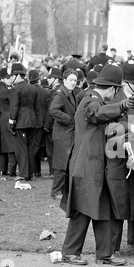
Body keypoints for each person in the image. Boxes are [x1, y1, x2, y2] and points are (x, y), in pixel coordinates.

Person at [59, 63, 134, 266]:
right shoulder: (90, 100)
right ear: (112, 88)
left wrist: (123, 116)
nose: (116, 94)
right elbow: (97, 114)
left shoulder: (92, 100)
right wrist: (122, 106)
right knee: (82, 210)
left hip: (93, 165)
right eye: (117, 90)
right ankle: (70, 252)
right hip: (87, 165)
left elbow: (103, 118)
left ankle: (104, 254)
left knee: (103, 209)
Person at [106, 60, 134, 254]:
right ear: (125, 82)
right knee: (117, 201)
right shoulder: (113, 99)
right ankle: (113, 245)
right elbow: (108, 128)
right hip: (116, 156)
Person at [49, 69, 80, 199]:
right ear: (64, 80)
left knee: (65, 162)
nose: (73, 83)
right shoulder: (60, 94)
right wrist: (68, 119)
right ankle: (56, 191)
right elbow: (53, 110)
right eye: (71, 80)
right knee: (61, 163)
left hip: (67, 133)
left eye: (75, 80)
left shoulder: (69, 93)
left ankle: (61, 190)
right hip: (63, 133)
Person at [9, 63, 39, 181]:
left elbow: (14, 107)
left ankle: (23, 173)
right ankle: (29, 173)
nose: (11, 78)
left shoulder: (16, 89)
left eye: (13, 75)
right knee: (30, 148)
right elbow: (37, 108)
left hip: (20, 122)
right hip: (32, 121)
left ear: (17, 76)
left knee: (21, 149)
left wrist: (12, 122)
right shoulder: (33, 88)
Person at [0, 66, 17, 177]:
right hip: (7, 117)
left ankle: (3, 169)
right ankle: (11, 170)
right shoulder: (6, 90)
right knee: (11, 145)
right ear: (2, 79)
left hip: (1, 117)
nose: (11, 79)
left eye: (11, 77)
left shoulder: (0, 89)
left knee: (3, 145)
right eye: (8, 77)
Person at [28, 69, 51, 177]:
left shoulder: (29, 91)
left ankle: (33, 170)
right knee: (38, 147)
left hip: (31, 122)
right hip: (43, 123)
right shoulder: (46, 92)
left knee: (33, 147)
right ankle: (36, 171)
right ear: (39, 80)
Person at [43, 67, 63, 178]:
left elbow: (51, 110)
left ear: (56, 79)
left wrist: (46, 125)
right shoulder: (62, 90)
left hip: (52, 125)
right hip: (59, 125)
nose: (48, 80)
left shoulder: (54, 91)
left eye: (50, 78)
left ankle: (53, 172)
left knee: (51, 150)